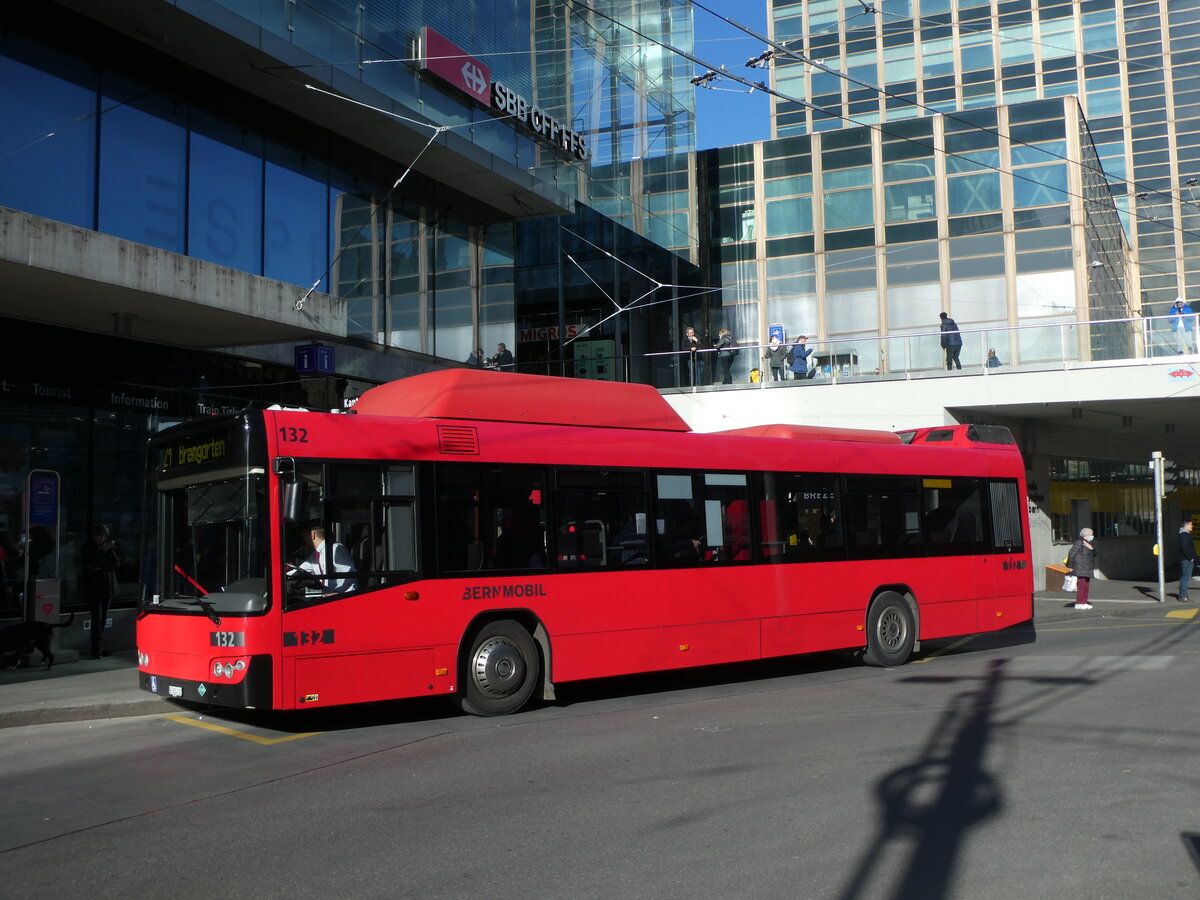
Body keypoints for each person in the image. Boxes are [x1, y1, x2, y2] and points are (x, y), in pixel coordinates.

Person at [80, 524, 119, 658]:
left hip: (106, 586)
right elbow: (91, 562)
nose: (99, 538)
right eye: (97, 535)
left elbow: (115, 563)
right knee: (96, 617)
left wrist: (101, 564)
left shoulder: (108, 547)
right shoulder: (88, 547)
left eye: (101, 535)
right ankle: (95, 649)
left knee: (103, 617)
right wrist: (103, 552)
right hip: (93, 587)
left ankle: (99, 646)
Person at [295, 523, 357, 595]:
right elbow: (301, 570)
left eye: (304, 535)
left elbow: (351, 573)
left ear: (312, 535)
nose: (304, 539)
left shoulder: (335, 549)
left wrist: (337, 592)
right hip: (329, 597)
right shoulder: (315, 555)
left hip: (344, 596)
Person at [1066, 527, 1097, 610]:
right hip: (1080, 567)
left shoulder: (1088, 543)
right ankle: (1079, 603)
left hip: (1087, 567)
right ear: (1086, 534)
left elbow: (1095, 554)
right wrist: (1070, 566)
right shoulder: (1079, 542)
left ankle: (1084, 602)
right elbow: (1071, 553)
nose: (1092, 536)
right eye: (1091, 534)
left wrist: (1091, 548)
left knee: (1086, 586)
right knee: (1082, 586)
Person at [1178, 520, 1196, 602]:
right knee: (1185, 578)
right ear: (1187, 525)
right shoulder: (1184, 535)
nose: (1192, 526)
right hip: (1186, 559)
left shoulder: (1184, 534)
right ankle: (1183, 596)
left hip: (1186, 559)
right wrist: (1190, 558)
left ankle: (1183, 595)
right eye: (1191, 525)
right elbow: (1185, 548)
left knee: (1185, 577)